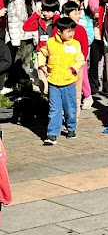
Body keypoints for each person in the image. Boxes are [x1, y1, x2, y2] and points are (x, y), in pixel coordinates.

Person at [39, 17, 85, 145]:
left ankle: (71, 128)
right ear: (59, 31)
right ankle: (52, 134)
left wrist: (73, 69)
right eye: (68, 31)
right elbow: (42, 53)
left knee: (70, 108)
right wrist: (42, 66)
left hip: (69, 82)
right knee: (54, 109)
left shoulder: (75, 44)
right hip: (53, 82)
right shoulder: (50, 43)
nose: (71, 34)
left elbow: (80, 59)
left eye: (72, 31)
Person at [23, 0, 61, 97]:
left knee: (52, 74)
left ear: (55, 12)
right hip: (41, 52)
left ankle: (52, 94)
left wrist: (57, 16)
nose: (45, 13)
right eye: (44, 10)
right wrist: (35, 15)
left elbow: (56, 29)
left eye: (48, 11)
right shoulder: (40, 21)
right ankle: (44, 93)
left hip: (54, 52)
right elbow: (26, 27)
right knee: (41, 73)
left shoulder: (56, 22)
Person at [57, 1, 90, 114]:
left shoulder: (81, 30)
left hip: (77, 66)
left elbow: (85, 48)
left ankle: (73, 119)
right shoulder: (59, 30)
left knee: (76, 93)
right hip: (62, 66)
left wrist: (80, 63)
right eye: (75, 13)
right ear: (66, 15)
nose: (78, 16)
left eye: (78, 13)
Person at [6, 0, 35, 88]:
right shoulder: (18, 1)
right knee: (21, 63)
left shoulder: (23, 0)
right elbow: (20, 19)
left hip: (25, 35)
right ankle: (20, 85)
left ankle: (23, 85)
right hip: (21, 36)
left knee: (25, 62)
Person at [69, 0, 94, 109]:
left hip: (81, 52)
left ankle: (87, 96)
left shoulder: (85, 18)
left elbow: (89, 34)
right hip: (68, 53)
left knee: (83, 75)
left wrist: (85, 46)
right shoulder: (66, 19)